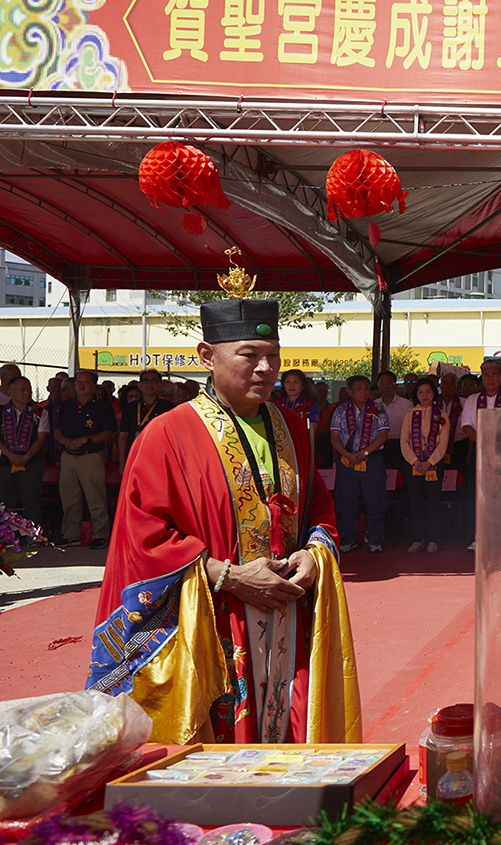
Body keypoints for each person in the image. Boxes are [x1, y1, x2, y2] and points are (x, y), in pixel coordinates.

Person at [88, 295, 360, 744]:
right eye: (249, 356)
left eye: (273, 357)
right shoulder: (167, 435)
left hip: (289, 611)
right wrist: (229, 576)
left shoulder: (292, 427)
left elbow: (318, 507)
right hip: (213, 621)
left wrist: (315, 553)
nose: (265, 369)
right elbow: (144, 538)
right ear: (207, 356)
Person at [460, 359, 501, 552]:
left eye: (495, 375)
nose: (490, 379)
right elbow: (466, 426)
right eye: (486, 375)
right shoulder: (472, 399)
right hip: (480, 451)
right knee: (477, 495)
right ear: (482, 379)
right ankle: (477, 538)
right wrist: (484, 441)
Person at [54, 369, 118, 549]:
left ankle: (101, 534)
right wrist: (65, 440)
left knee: (96, 497)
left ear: (94, 385)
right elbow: (57, 430)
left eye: (86, 381)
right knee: (69, 498)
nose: (81, 385)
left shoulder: (103, 406)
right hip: (68, 457)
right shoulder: (66, 405)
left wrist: (86, 439)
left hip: (91, 456)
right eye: (78, 382)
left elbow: (108, 432)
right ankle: (70, 534)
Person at [331, 375, 391, 554]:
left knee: (376, 499)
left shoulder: (378, 409)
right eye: (359, 388)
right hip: (346, 460)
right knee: (345, 499)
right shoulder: (340, 410)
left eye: (366, 388)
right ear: (350, 391)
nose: (364, 392)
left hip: (372, 459)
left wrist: (365, 453)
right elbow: (334, 437)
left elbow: (383, 435)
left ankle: (374, 537)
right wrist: (347, 454)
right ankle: (348, 537)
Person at [402, 378, 449, 554]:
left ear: (434, 393)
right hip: (413, 464)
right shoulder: (410, 413)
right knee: (415, 503)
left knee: (433, 503)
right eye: (420, 392)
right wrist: (415, 462)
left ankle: (434, 539)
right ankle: (416, 539)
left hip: (434, 464)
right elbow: (403, 440)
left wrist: (429, 462)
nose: (424, 395)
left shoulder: (441, 415)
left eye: (428, 391)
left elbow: (443, 442)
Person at [0, 376, 49, 535]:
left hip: (31, 463)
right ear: (9, 392)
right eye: (22, 390)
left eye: (28, 389)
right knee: (7, 502)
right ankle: (8, 538)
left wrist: (27, 456)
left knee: (31, 501)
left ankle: (32, 536)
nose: (27, 393)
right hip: (5, 463)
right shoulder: (1, 411)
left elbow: (41, 438)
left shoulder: (39, 412)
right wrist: (10, 454)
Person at [375, 370, 414, 539]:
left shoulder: (406, 405)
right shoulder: (373, 405)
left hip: (400, 448)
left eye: (389, 383)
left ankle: (399, 524)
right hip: (378, 448)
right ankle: (383, 525)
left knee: (400, 487)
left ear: (395, 385)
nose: (385, 386)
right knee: (380, 486)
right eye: (382, 383)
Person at [118, 372, 175, 473]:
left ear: (159, 385)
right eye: (145, 381)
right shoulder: (130, 408)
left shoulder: (169, 407)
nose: (149, 384)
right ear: (139, 385)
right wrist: (122, 462)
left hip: (160, 457)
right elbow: (123, 435)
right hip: (134, 456)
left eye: (154, 381)